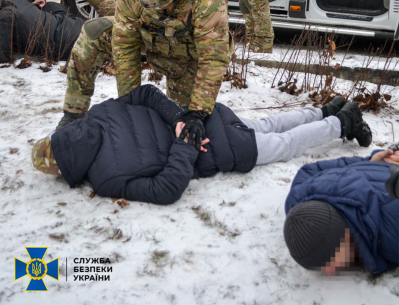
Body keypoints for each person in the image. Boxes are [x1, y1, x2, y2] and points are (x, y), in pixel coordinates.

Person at [32, 86, 372, 205]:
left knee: (283, 143)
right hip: (209, 121)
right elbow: (147, 94)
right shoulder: (98, 113)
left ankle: (342, 121)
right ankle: (327, 110)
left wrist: (184, 136)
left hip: (212, 146)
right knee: (266, 125)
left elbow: (166, 190)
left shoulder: (104, 179)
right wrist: (182, 120)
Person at [112, 0, 232, 146]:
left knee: (181, 126)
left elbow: (212, 58)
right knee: (93, 32)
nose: (157, 12)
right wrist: (129, 102)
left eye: (162, 6)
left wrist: (197, 113)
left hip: (188, 56)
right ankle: (72, 113)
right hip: (151, 39)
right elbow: (125, 46)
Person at [284, 148, 399, 276]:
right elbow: (309, 170)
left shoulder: (390, 235)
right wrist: (368, 163)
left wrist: (369, 162)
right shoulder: (300, 195)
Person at [0, 0, 85, 63]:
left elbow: (3, 56)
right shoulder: (16, 2)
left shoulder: (4, 17)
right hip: (80, 26)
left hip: (68, 44)